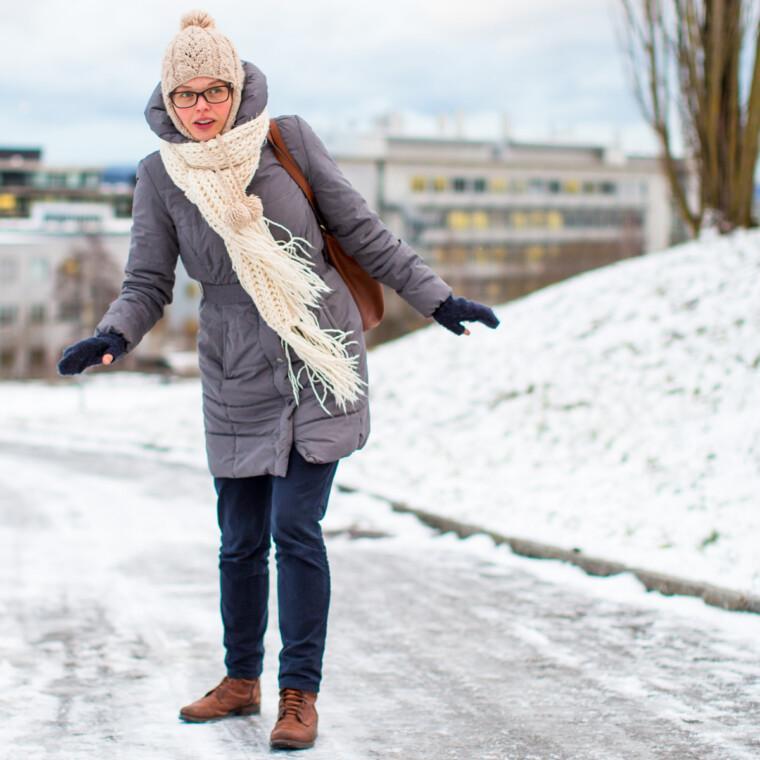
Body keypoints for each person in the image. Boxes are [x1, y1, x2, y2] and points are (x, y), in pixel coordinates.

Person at [57, 9, 500, 751]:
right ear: (168, 101)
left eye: (214, 91)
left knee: (295, 527)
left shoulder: (286, 140)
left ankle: (299, 694)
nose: (202, 108)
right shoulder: (160, 177)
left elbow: (362, 232)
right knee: (238, 540)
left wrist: (437, 297)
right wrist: (112, 334)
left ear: (237, 87)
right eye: (186, 95)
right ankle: (240, 680)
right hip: (235, 368)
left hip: (318, 353)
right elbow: (146, 282)